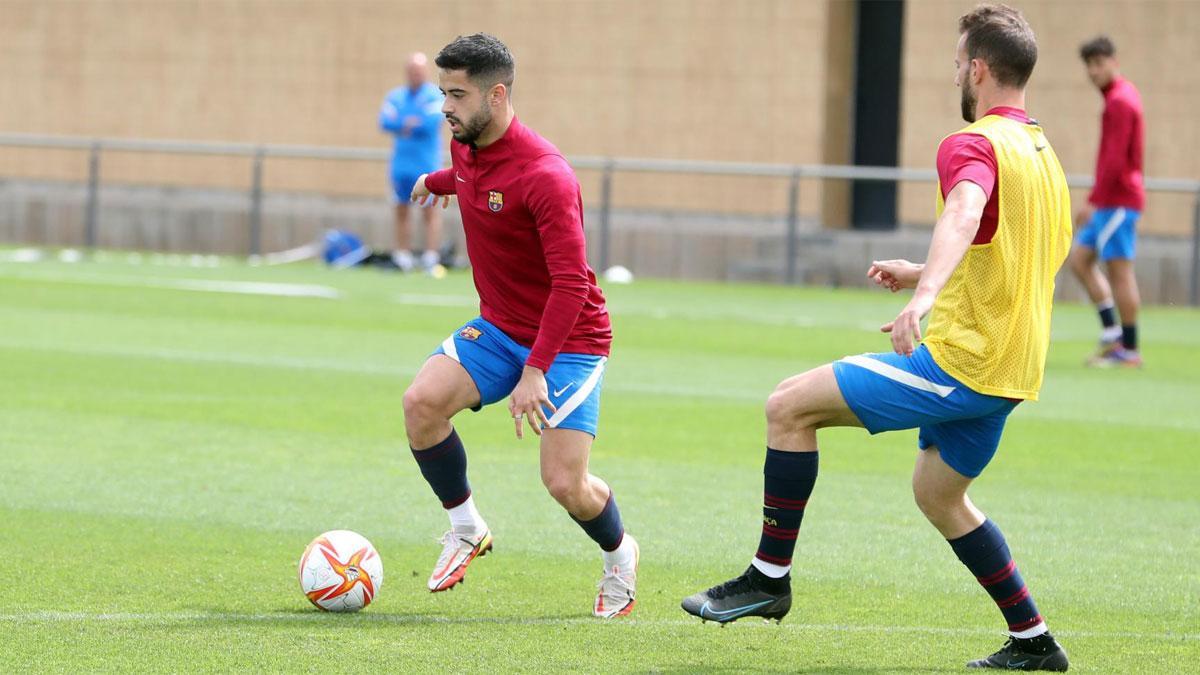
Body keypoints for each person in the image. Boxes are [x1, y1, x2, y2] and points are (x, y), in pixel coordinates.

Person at [681, 5, 1071, 671]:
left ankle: (767, 578)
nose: (955, 74)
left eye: (956, 64)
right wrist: (923, 271)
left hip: (961, 361)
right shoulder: (1042, 155)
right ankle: (1034, 640)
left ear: (977, 68)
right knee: (938, 494)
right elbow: (1008, 251)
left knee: (787, 404)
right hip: (1012, 373)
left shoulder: (971, 143)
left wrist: (924, 295)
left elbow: (965, 210)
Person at [403, 33, 639, 618]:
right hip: (502, 326)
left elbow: (572, 284)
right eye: (443, 93)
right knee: (421, 404)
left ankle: (620, 555)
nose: (446, 108)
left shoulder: (547, 176)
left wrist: (536, 370)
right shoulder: (467, 143)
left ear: (498, 95)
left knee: (565, 484)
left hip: (571, 339)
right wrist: (437, 182)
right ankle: (466, 529)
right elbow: (473, 178)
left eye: (457, 95)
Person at [1068, 36, 1145, 367]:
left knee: (1120, 272)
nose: (1093, 71)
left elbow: (1115, 161)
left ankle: (1128, 349)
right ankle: (1112, 333)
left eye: (1099, 63)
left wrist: (1094, 202)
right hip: (1112, 200)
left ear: (1113, 61)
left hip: (1117, 201)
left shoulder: (1119, 102)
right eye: (1089, 65)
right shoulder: (1118, 97)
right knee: (1080, 260)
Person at [379, 52, 445, 273]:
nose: (415, 75)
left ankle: (430, 257)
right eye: (411, 71)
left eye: (419, 71)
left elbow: (429, 124)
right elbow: (386, 122)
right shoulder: (396, 96)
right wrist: (407, 123)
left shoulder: (435, 96)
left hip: (426, 164)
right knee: (401, 209)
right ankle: (403, 256)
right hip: (401, 165)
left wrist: (404, 123)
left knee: (429, 211)